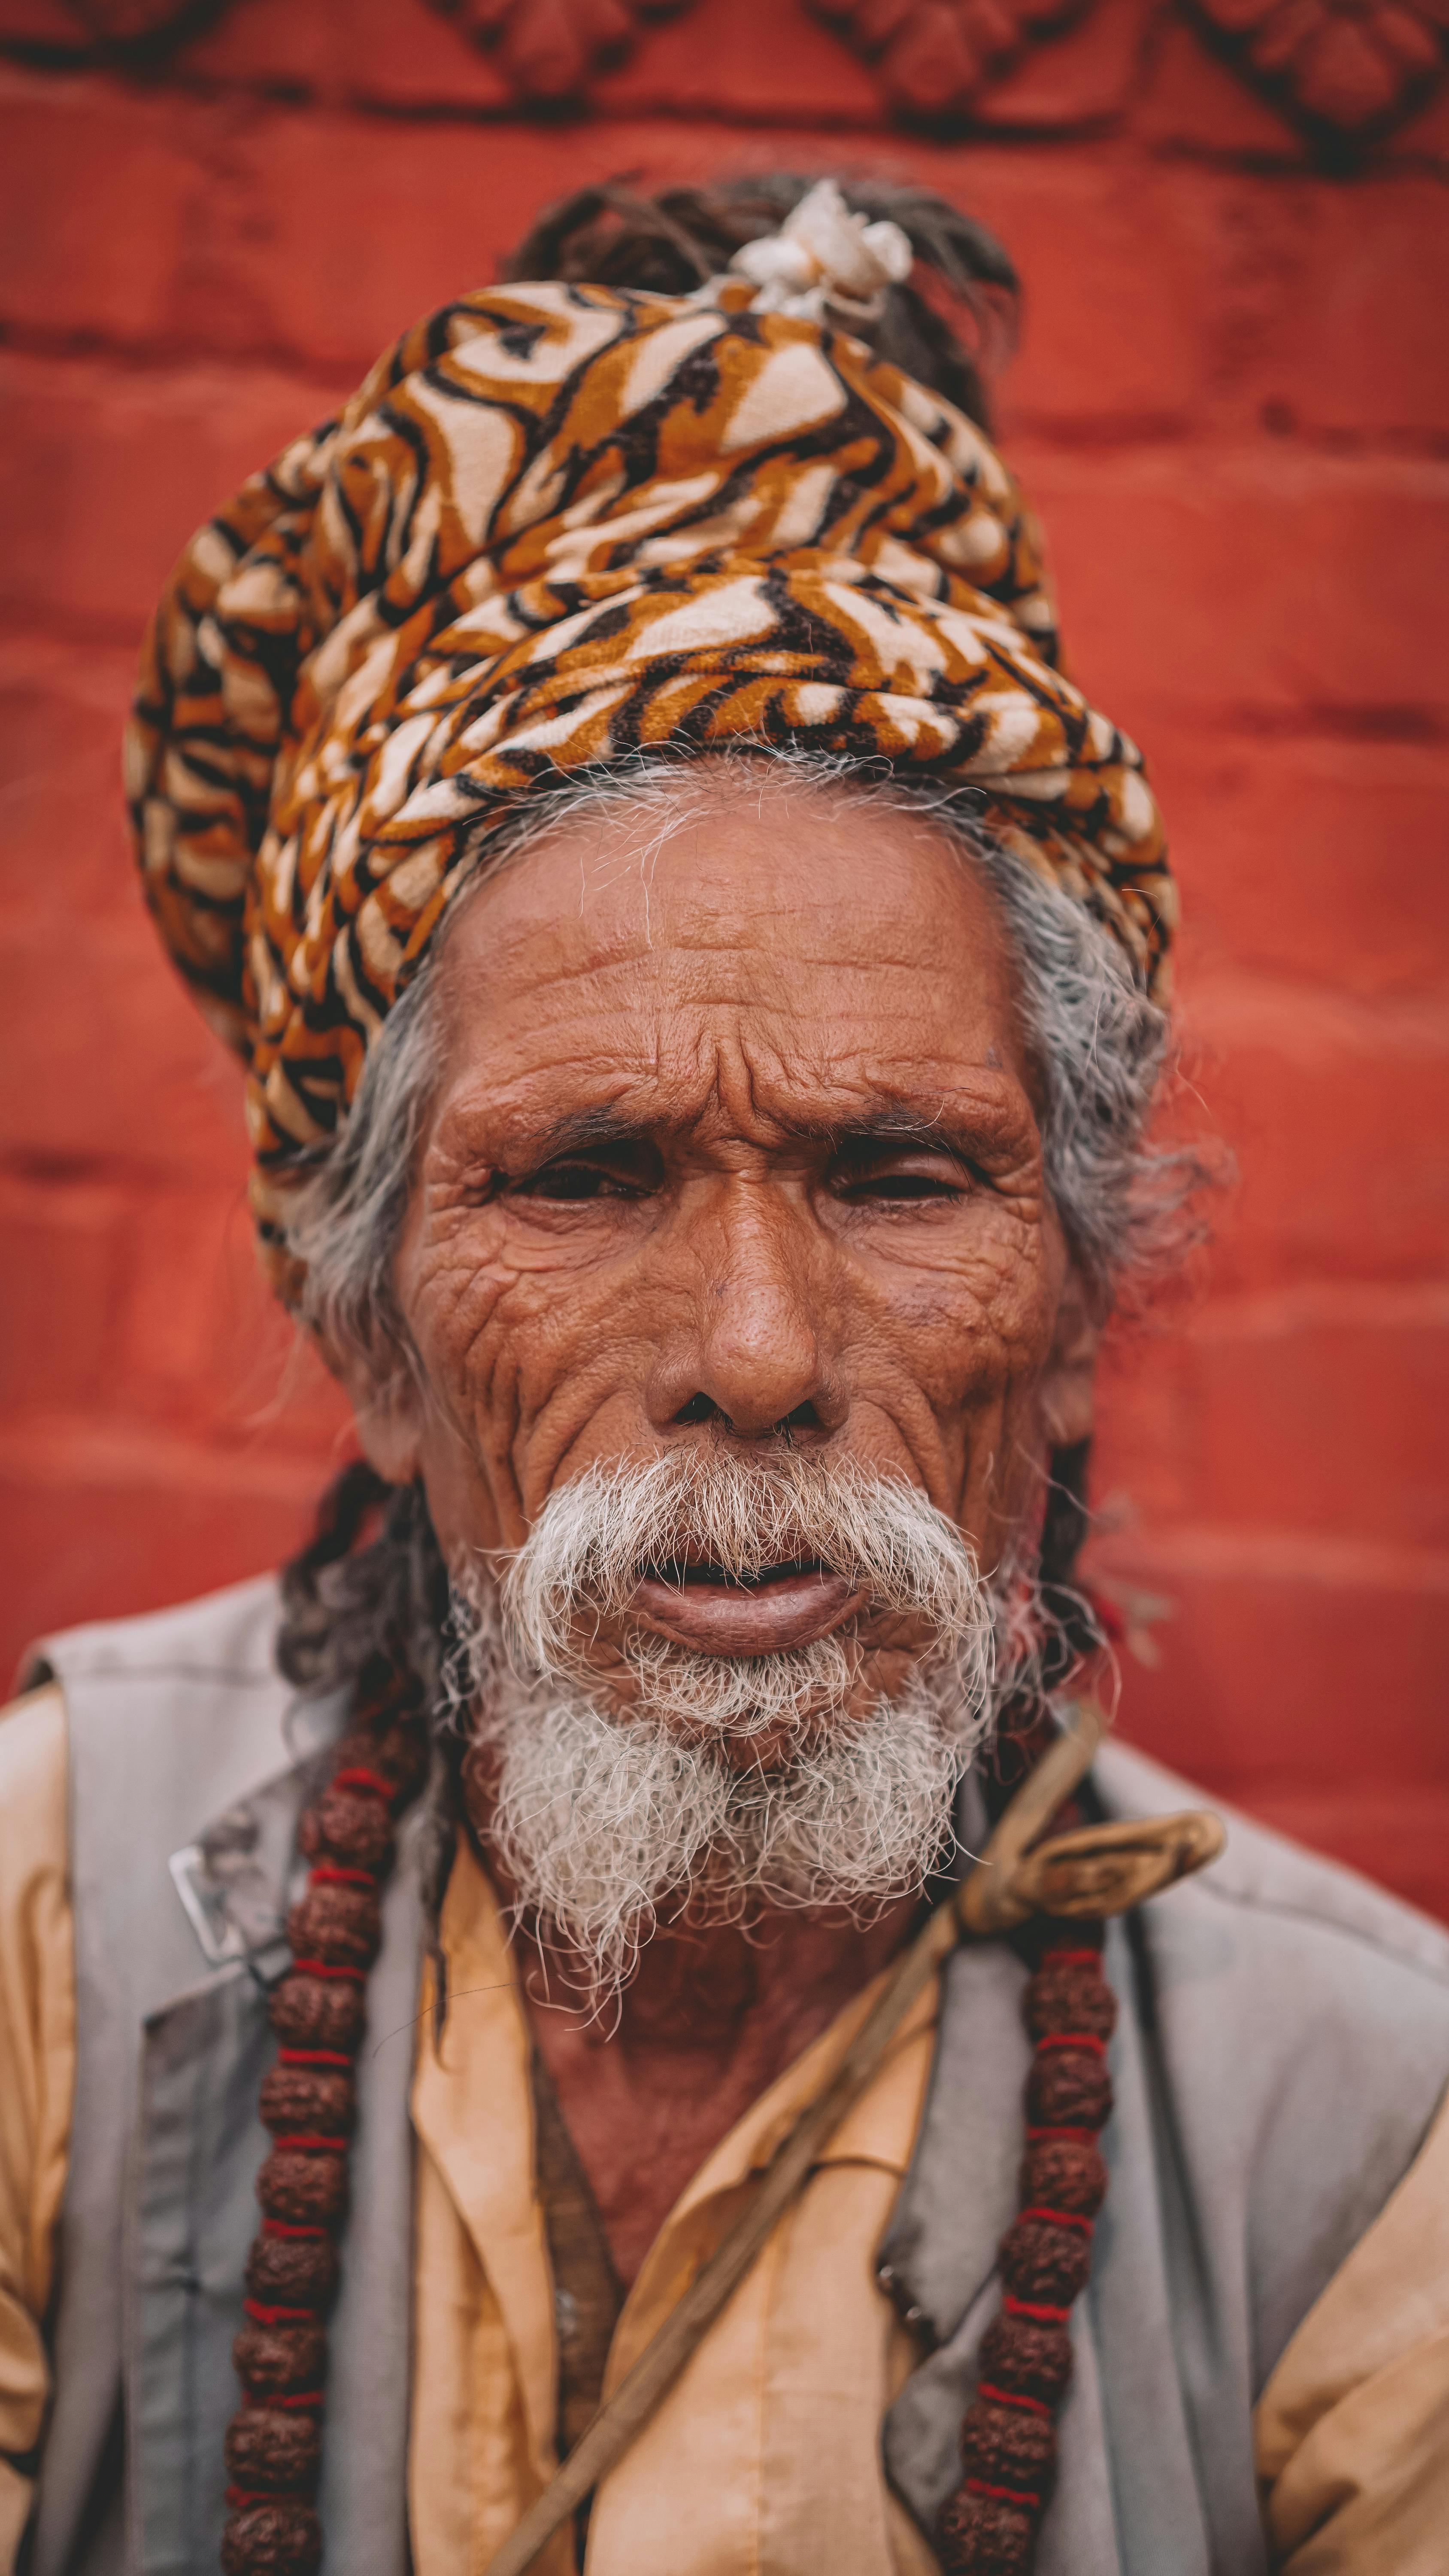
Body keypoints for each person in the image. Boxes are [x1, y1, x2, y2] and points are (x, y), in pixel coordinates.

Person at [2, 174, 1447, 2576]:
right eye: (581, 1178)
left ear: (1079, 1312)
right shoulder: (51, 1921)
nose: (760, 1355)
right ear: (367, 1332)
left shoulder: (1365, 2130)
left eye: (900, 1176)